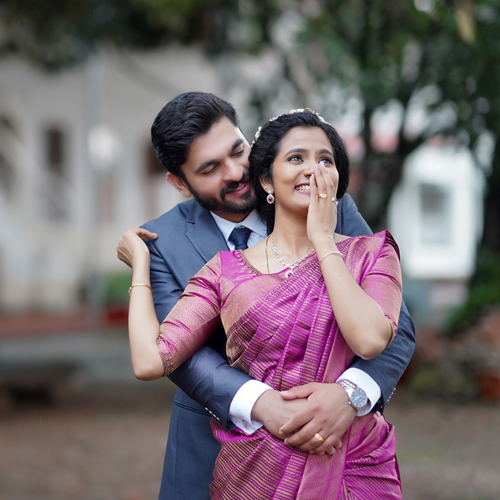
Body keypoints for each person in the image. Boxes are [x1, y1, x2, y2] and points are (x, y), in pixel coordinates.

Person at [117, 93, 415, 500]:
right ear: (180, 183)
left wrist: (351, 395)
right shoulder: (162, 242)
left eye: (238, 150)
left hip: (344, 444)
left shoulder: (328, 203)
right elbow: (179, 357)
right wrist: (264, 406)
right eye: (210, 168)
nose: (237, 170)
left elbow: (393, 321)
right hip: (224, 446)